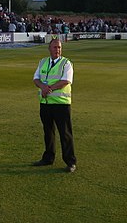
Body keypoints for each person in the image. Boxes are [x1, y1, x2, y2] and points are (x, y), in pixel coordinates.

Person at [32, 37, 77, 172]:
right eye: (55, 47)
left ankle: (70, 162)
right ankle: (48, 158)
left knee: (65, 134)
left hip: (61, 104)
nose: (57, 49)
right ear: (49, 48)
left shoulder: (66, 63)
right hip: (45, 103)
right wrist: (43, 87)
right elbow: (36, 79)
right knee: (48, 132)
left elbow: (66, 81)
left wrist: (48, 88)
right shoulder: (43, 62)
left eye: (59, 47)